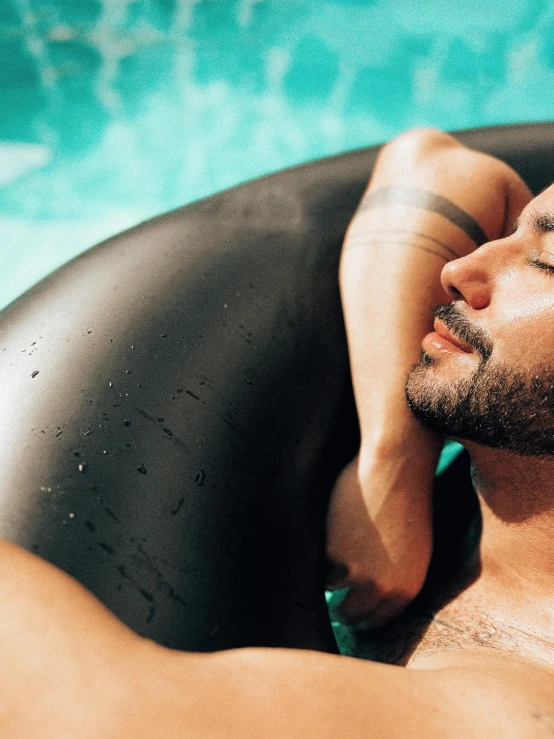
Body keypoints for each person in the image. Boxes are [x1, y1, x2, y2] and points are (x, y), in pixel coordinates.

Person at [0, 128, 553, 736]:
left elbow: (98, 713)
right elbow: (434, 162)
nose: (458, 268)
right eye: (513, 231)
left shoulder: (516, 703)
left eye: (545, 263)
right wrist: (395, 461)